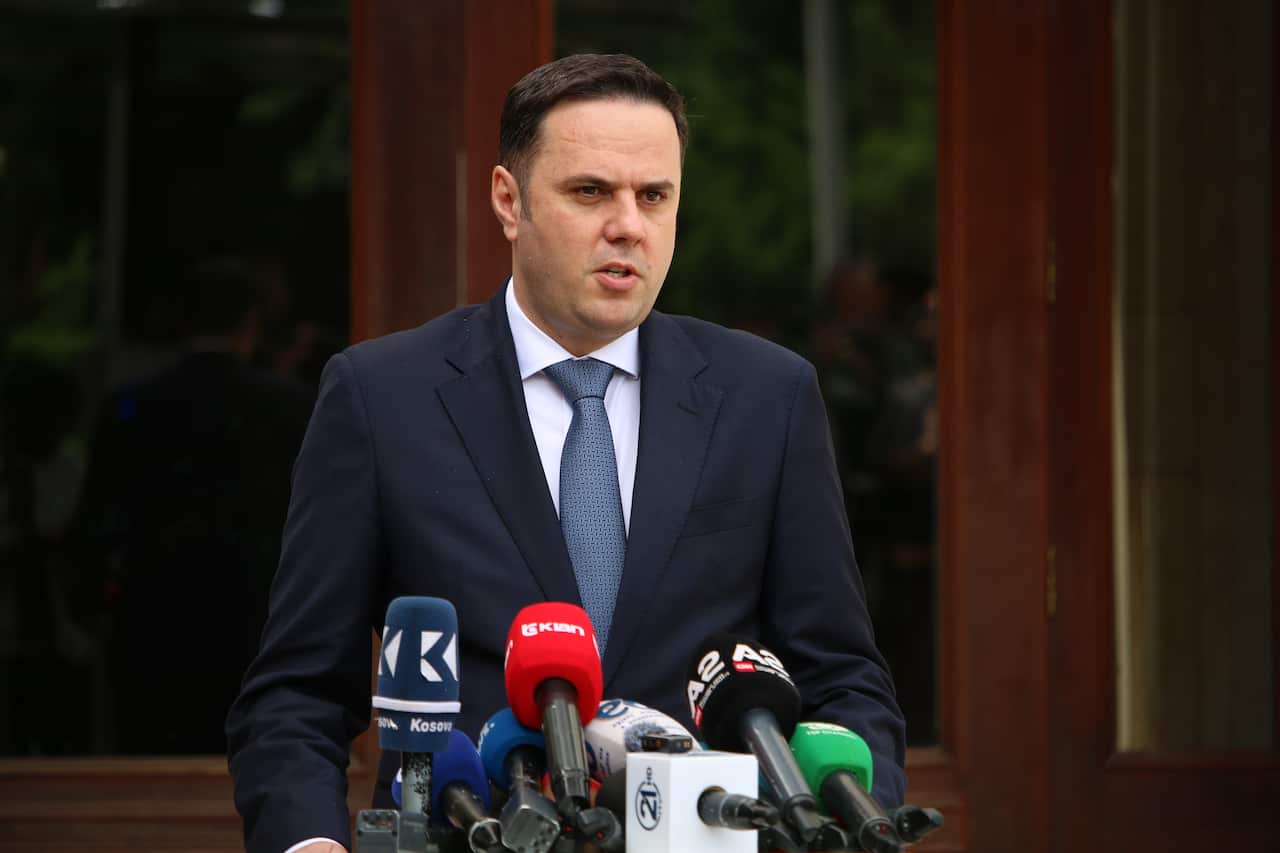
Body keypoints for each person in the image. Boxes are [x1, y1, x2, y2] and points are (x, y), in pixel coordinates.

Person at [226, 53, 905, 853]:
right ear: (508, 201)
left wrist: (852, 823)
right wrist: (310, 843)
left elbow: (843, 681)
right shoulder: (382, 397)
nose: (629, 225)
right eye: (590, 191)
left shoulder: (768, 397)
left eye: (654, 196)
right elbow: (297, 692)